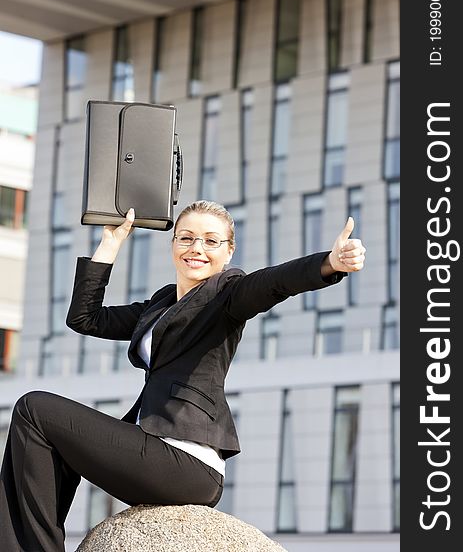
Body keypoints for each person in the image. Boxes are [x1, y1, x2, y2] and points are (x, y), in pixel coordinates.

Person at [0, 200, 366, 552]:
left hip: (186, 461)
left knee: (34, 409)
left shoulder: (227, 293)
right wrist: (110, 245)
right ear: (173, 244)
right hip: (152, 448)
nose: (197, 248)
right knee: (51, 444)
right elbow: (85, 318)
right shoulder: (161, 304)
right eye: (186, 237)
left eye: (211, 240)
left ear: (228, 252)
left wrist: (329, 263)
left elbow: (272, 283)